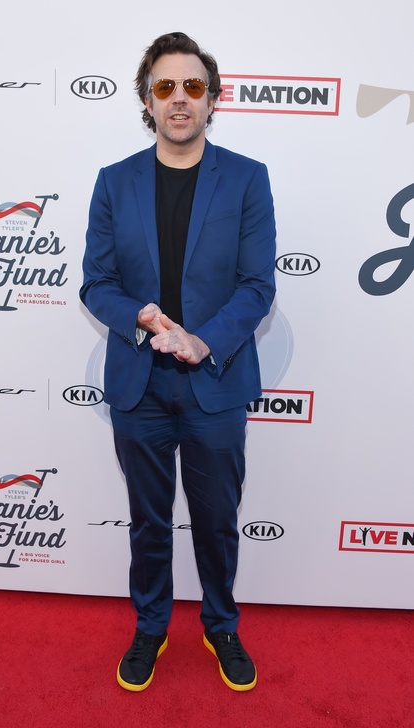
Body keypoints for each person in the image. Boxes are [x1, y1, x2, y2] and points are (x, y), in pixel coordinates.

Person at [80, 31, 276, 692]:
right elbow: (96, 283)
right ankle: (151, 626)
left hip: (214, 383)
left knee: (217, 522)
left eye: (193, 85)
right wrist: (137, 317)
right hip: (138, 386)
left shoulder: (247, 178)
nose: (180, 98)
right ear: (147, 100)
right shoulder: (114, 183)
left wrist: (203, 341)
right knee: (148, 521)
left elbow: (257, 286)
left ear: (213, 98)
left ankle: (222, 625)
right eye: (165, 86)